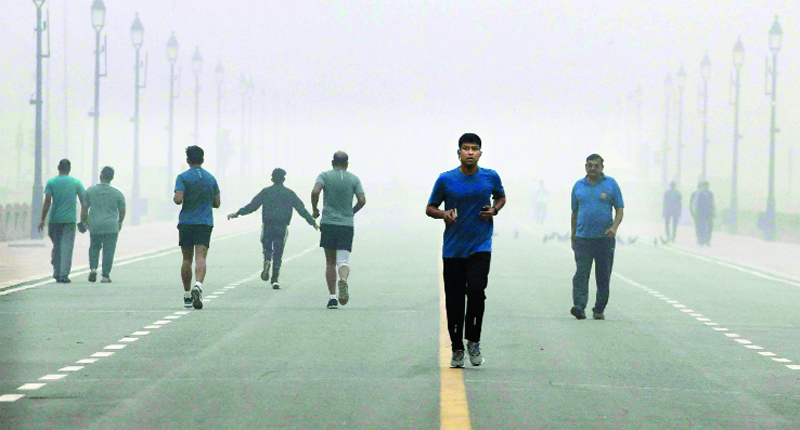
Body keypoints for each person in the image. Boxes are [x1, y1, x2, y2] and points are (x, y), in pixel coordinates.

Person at [426, 133, 506, 368]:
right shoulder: (446, 179)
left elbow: (500, 198)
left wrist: (494, 210)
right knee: (454, 299)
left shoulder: (490, 176)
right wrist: (443, 214)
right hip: (453, 249)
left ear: (480, 153)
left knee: (477, 291)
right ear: (458, 153)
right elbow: (430, 207)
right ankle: (457, 348)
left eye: (474, 149)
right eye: (466, 149)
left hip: (481, 245)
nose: (470, 152)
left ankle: (473, 341)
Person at [227, 168, 319, 289]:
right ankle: (275, 279)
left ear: (272, 178)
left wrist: (238, 213)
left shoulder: (266, 192)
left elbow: (252, 206)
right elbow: (301, 209)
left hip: (268, 224)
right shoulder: (289, 193)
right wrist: (312, 222)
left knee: (267, 247)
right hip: (282, 226)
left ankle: (267, 260)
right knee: (278, 252)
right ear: (283, 179)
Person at [570, 154, 624, 320]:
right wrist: (573, 235)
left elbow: (619, 209)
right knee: (581, 274)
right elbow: (575, 212)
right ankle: (579, 306)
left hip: (604, 239)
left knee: (603, 275)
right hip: (583, 238)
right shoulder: (578, 186)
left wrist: (614, 227)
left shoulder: (611, 184)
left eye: (596, 166)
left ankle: (599, 309)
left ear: (602, 168)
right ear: (585, 166)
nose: (592, 168)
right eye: (589, 165)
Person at [310, 151, 366, 310]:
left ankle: (332, 297)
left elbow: (315, 191)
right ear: (347, 164)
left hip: (328, 223)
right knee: (343, 261)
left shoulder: (324, 176)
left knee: (330, 261)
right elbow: (362, 200)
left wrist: (315, 209)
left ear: (332, 162)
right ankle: (343, 280)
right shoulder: (354, 179)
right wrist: (352, 211)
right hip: (346, 224)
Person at [173, 146, 220, 309]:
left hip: (186, 222)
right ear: (203, 159)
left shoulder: (183, 177)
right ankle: (198, 285)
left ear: (187, 160)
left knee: (186, 259)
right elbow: (217, 203)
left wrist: (179, 196)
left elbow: (178, 199)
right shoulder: (211, 178)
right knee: (201, 257)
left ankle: (187, 295)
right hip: (204, 222)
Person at [38, 159, 87, 283]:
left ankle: (56, 269)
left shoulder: (51, 182)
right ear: (69, 169)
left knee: (57, 245)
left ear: (58, 168)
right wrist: (83, 219)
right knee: (67, 247)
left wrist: (42, 219)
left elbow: (47, 201)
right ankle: (63, 275)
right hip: (69, 220)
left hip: (54, 220)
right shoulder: (76, 183)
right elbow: (84, 202)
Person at [81, 166, 126, 283]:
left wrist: (84, 221)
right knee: (108, 250)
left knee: (94, 247)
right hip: (111, 226)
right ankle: (105, 275)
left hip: (95, 225)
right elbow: (122, 210)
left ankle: (93, 268)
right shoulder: (118, 193)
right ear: (112, 178)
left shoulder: (90, 191)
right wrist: (120, 222)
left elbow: (84, 208)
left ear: (101, 176)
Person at [690, 180, 715, 246]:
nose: (706, 187)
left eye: (707, 186)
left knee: (710, 227)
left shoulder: (710, 193)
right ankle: (701, 240)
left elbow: (712, 203)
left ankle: (707, 240)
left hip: (709, 212)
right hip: (701, 212)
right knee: (701, 227)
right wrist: (695, 211)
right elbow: (696, 203)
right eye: (705, 186)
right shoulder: (699, 193)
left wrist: (713, 211)